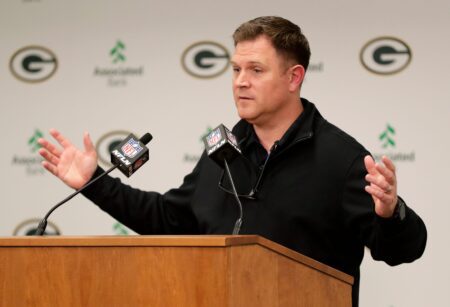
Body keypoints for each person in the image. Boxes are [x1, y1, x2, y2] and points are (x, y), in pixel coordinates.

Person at [38, 16, 426, 306]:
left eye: (256, 70)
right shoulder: (223, 151)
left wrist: (392, 213)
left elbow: (403, 250)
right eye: (236, 69)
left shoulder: (341, 158)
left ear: (294, 78)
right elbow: (169, 220)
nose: (240, 81)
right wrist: (93, 180)